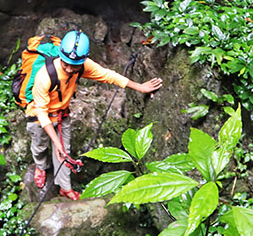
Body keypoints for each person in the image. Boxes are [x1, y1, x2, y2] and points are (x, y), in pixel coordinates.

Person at [26, 29, 163, 200]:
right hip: (39, 114)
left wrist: (140, 87)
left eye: (73, 65)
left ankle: (64, 187)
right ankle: (40, 166)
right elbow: (42, 113)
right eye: (65, 64)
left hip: (62, 112)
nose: (69, 69)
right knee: (40, 145)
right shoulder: (44, 76)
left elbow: (108, 75)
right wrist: (56, 142)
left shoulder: (83, 65)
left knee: (65, 152)